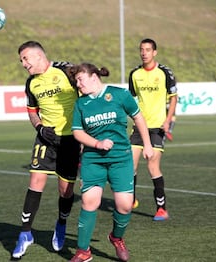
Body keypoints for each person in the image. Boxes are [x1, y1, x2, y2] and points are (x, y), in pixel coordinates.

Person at [69, 63, 153, 262]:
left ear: (94, 76)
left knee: (125, 206)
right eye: (76, 81)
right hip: (93, 160)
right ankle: (83, 251)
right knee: (90, 202)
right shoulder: (81, 104)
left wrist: (147, 145)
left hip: (120, 159)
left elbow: (138, 118)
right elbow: (77, 132)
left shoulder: (120, 94)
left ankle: (116, 237)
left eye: (80, 79)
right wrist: (97, 143)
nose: (78, 85)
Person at [12, 41, 80, 259]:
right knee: (35, 182)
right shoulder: (31, 83)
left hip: (70, 140)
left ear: (38, 56)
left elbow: (86, 91)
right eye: (21, 60)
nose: (23, 64)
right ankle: (25, 234)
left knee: (65, 191)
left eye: (25, 59)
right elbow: (32, 112)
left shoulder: (65, 70)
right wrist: (40, 127)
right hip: (45, 139)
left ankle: (61, 223)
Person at [128, 38, 178, 220]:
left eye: (148, 50)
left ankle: (161, 209)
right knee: (129, 165)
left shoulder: (165, 73)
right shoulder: (134, 74)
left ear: (154, 52)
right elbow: (132, 99)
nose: (144, 53)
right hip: (139, 126)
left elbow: (173, 97)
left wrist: (168, 120)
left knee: (152, 164)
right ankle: (131, 200)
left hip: (157, 127)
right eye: (141, 49)